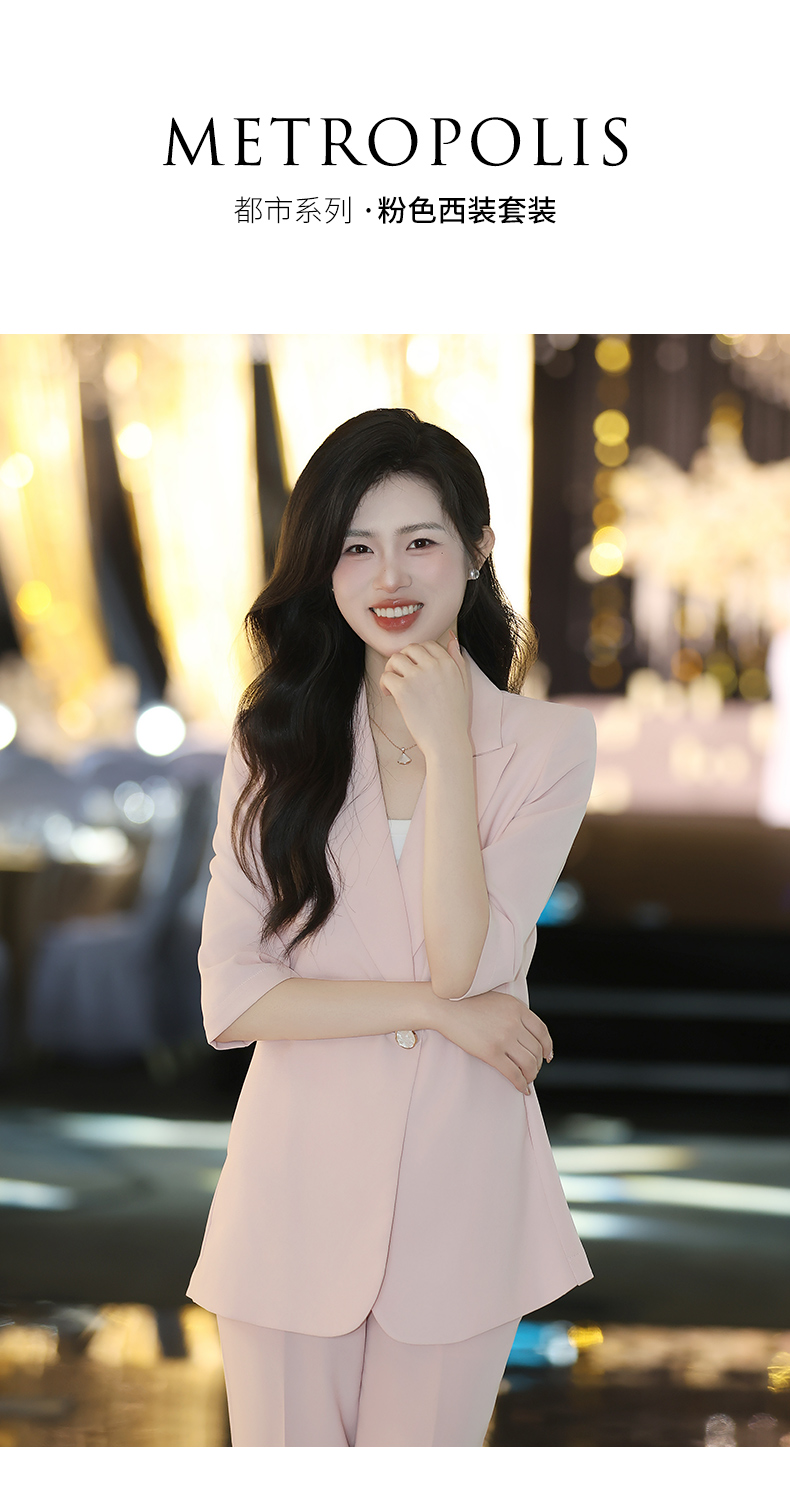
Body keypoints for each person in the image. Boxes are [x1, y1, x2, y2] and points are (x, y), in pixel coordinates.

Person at [187, 407, 597, 1446]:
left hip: (463, 1199)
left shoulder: (549, 745)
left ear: (478, 549)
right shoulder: (273, 738)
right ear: (322, 568)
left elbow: (467, 960)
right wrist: (437, 1013)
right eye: (355, 547)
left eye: (419, 541)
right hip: (290, 1200)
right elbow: (232, 996)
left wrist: (449, 749)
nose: (389, 576)